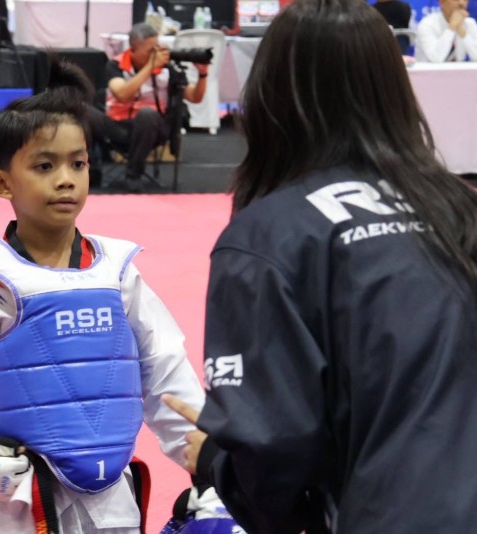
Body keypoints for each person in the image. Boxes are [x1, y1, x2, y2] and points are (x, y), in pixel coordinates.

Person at [162, 0, 477, 532]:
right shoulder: (459, 209)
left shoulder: (268, 238)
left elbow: (274, 458)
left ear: (272, 93)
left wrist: (218, 462)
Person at [0, 58, 208, 533]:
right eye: (45, 166)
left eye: (78, 163)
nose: (66, 178)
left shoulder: (118, 273)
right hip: (17, 502)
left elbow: (165, 371)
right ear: (2, 183)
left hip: (114, 498)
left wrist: (209, 461)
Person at [88, 23, 208, 192]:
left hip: (152, 127)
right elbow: (122, 94)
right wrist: (150, 67)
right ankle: (91, 168)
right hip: (117, 125)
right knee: (79, 110)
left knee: (147, 114)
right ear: (133, 50)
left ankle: (133, 174)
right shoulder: (115, 65)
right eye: (150, 51)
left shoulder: (166, 69)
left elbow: (195, 97)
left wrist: (203, 74)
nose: (155, 54)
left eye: (156, 48)